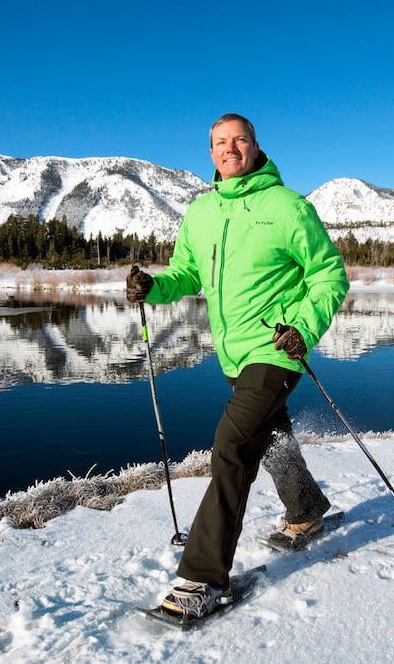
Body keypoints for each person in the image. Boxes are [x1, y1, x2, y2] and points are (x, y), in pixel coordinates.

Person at [126, 113, 349, 619]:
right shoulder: (200, 213)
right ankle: (307, 508)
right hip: (232, 353)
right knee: (270, 438)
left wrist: (304, 327)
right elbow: (185, 275)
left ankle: (202, 580)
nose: (231, 149)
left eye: (240, 140)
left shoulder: (287, 206)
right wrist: (152, 287)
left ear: (255, 147)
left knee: (231, 447)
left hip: (276, 347)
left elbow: (329, 276)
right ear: (211, 154)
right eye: (220, 142)